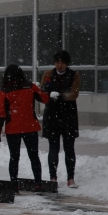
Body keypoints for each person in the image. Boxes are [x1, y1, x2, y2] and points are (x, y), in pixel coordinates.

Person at [0, 65, 49, 192]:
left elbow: (1, 113)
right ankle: (38, 184)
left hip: (13, 128)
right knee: (34, 156)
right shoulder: (30, 87)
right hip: (30, 127)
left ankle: (14, 184)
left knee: (14, 157)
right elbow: (45, 99)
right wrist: (46, 89)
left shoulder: (4, 91)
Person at [41, 50, 81, 188]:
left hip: (68, 116)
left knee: (69, 148)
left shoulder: (74, 75)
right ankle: (53, 177)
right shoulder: (48, 74)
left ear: (67, 63)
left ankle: (70, 178)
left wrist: (61, 96)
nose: (60, 65)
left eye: (63, 62)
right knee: (53, 148)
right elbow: (42, 92)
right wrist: (48, 94)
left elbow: (74, 93)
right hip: (52, 115)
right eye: (57, 62)